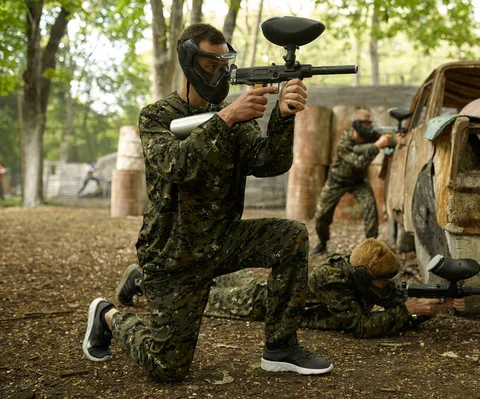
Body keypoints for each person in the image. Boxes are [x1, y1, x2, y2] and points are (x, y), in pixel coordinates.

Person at [82, 23, 333, 382]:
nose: (217, 73)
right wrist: (226, 118)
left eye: (222, 64)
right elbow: (177, 166)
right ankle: (107, 314)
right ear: (189, 62)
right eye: (209, 64)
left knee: (290, 236)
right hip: (172, 255)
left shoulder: (234, 115)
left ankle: (280, 347)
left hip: (222, 240)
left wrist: (282, 117)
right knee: (167, 368)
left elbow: (269, 163)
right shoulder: (156, 116)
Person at [117, 238, 465, 339]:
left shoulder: (353, 271)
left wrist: (434, 307)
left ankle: (154, 275)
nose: (383, 287)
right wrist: (408, 312)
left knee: (214, 277)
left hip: (270, 286)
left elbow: (389, 300)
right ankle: (142, 283)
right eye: (379, 281)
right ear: (362, 277)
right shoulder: (334, 281)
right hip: (261, 303)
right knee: (199, 300)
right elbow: (361, 325)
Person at [311, 109, 396, 255]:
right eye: (365, 123)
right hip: (337, 180)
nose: (369, 126)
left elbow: (391, 141)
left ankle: (371, 246)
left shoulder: (372, 136)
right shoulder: (345, 141)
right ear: (356, 124)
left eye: (370, 123)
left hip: (358, 181)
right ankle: (322, 243)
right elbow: (359, 163)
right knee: (322, 214)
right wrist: (377, 146)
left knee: (370, 207)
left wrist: (395, 139)